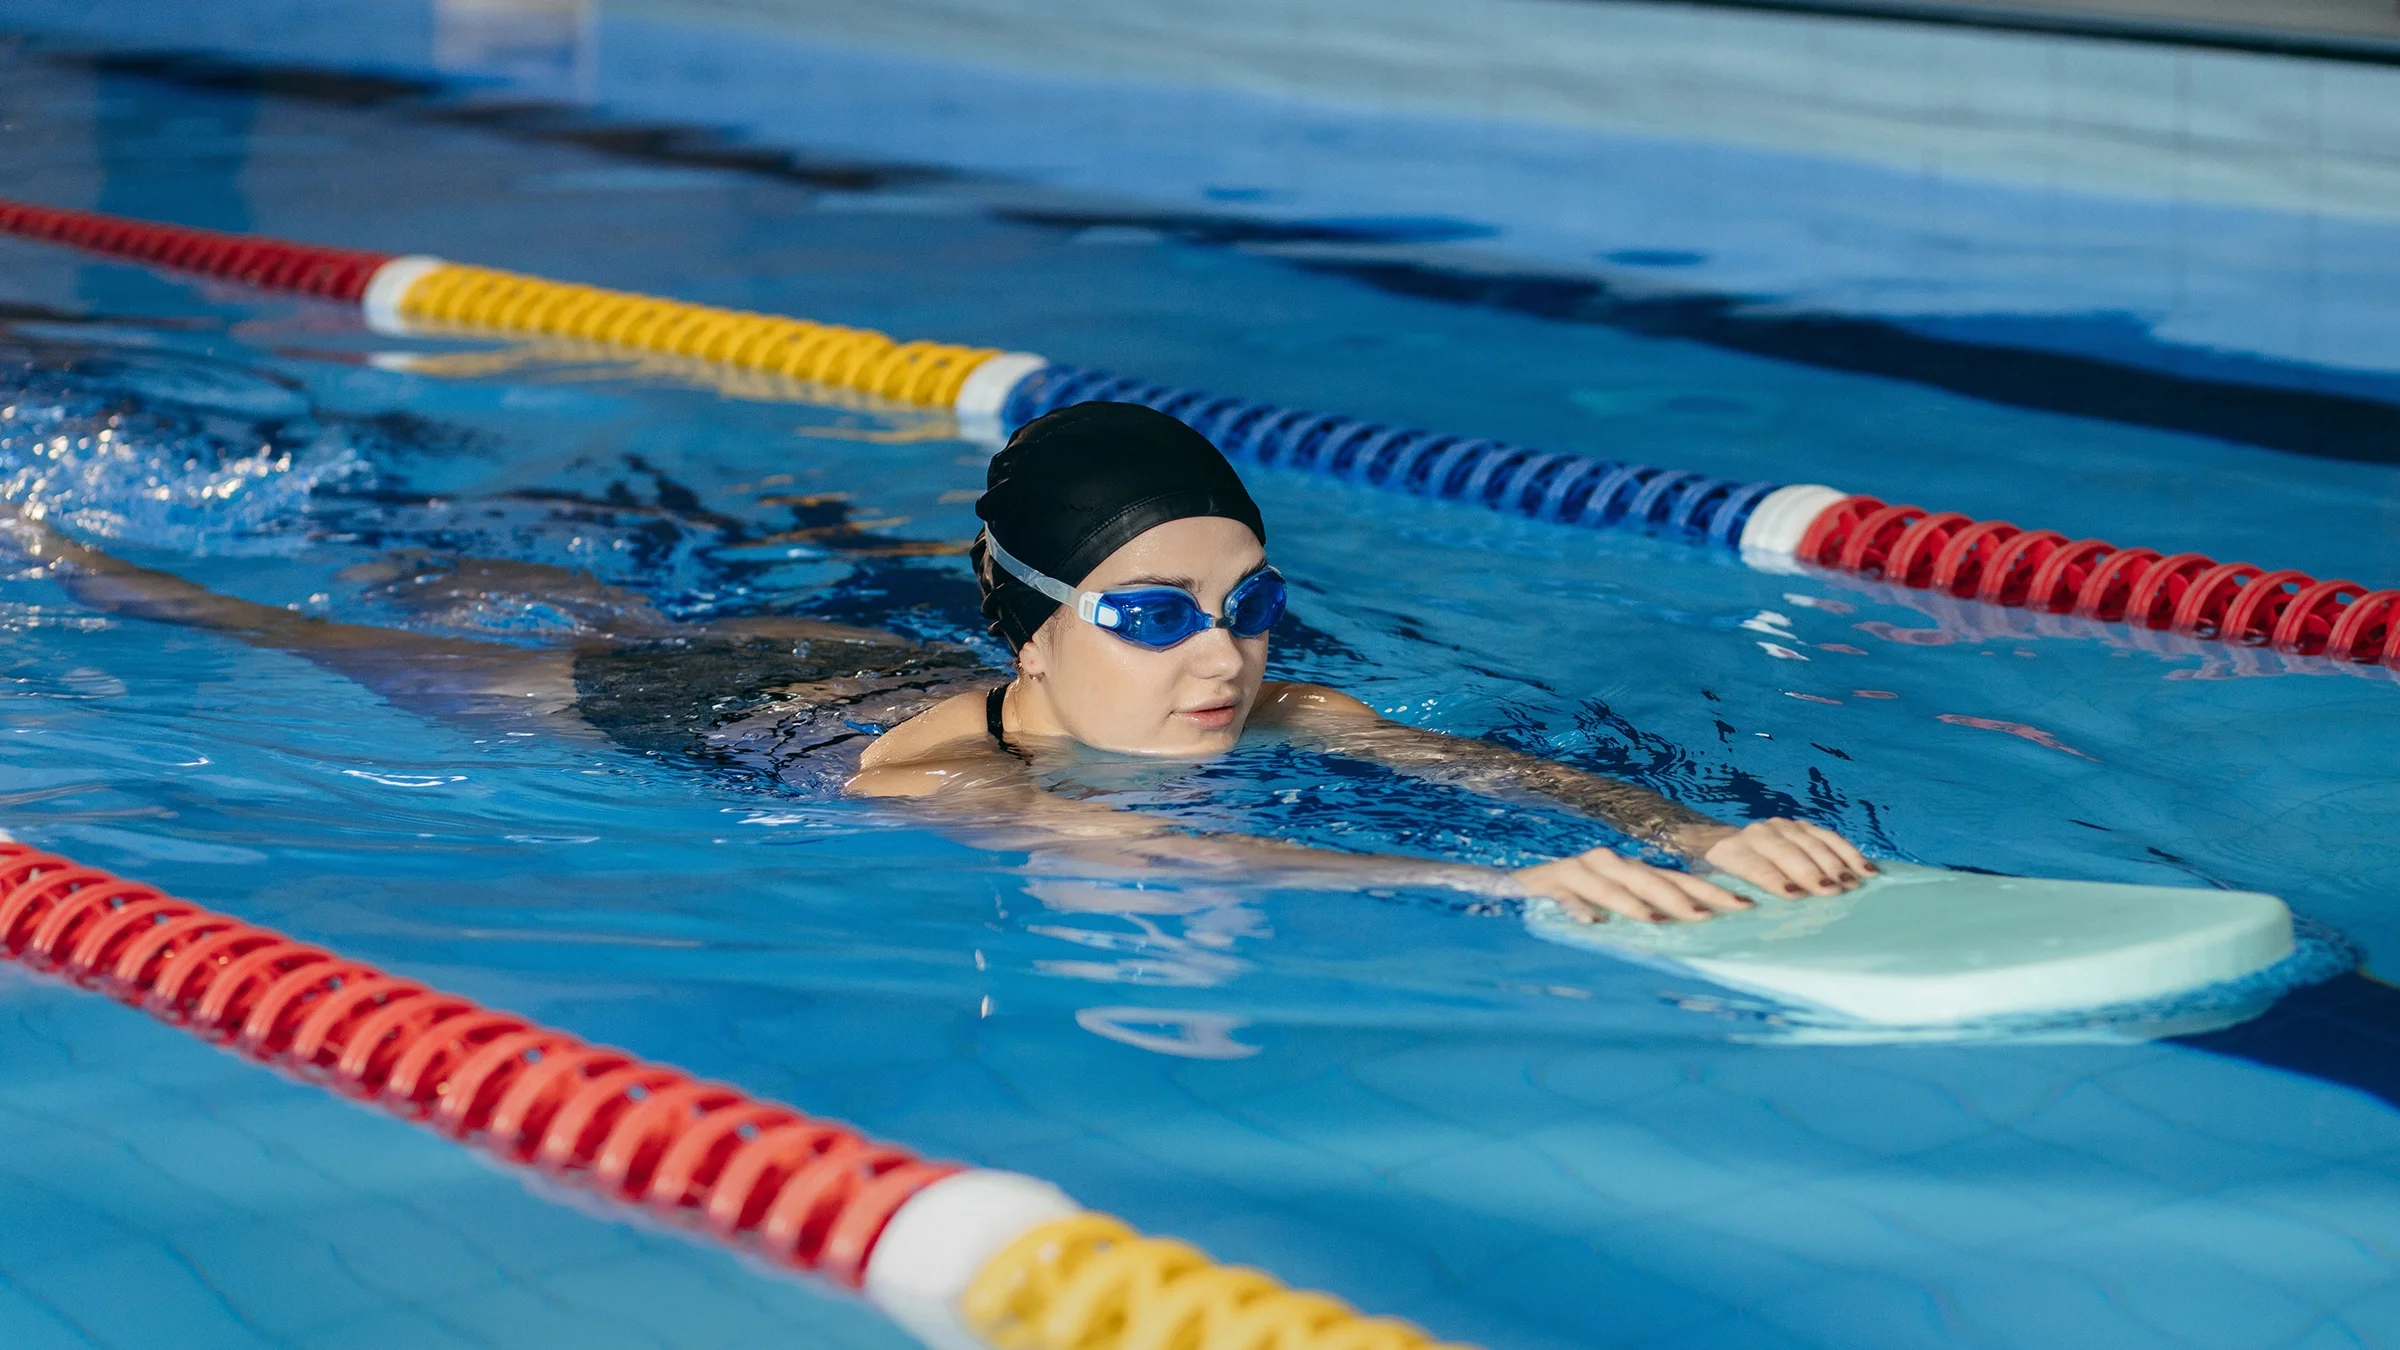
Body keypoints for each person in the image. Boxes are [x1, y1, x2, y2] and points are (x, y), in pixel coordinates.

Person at [6, 401, 1871, 923]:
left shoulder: (1290, 699)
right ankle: (80, 545)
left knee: (631, 585)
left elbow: (1522, 777)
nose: (1220, 659)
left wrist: (1665, 826)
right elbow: (1152, 857)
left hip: (828, 648)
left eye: (1246, 603)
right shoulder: (960, 776)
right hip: (679, 708)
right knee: (354, 619)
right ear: (1041, 624)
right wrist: (1489, 890)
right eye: (1152, 614)